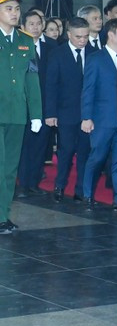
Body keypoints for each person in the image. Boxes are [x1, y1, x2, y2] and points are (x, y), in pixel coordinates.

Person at [0, 0, 43, 234]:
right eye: (8, 8)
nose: (14, 13)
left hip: (17, 114)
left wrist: (36, 113)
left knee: (9, 170)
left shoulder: (26, 41)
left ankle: (3, 215)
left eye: (16, 8)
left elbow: (31, 78)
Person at [45, 17, 97, 202]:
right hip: (65, 112)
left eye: (85, 36)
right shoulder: (58, 54)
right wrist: (50, 113)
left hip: (88, 113)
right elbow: (51, 85)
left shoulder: (93, 52)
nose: (82, 40)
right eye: (78, 37)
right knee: (65, 151)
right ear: (68, 35)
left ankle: (81, 189)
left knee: (85, 152)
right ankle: (59, 186)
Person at [81, 18, 117, 210]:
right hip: (102, 119)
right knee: (97, 157)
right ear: (111, 34)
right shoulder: (96, 58)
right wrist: (86, 117)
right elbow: (88, 90)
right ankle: (86, 193)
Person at [16, 11, 56, 198]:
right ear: (22, 27)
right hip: (22, 105)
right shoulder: (16, 46)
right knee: (24, 146)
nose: (35, 27)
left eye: (38, 23)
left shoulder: (52, 46)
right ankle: (23, 183)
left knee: (40, 146)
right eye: (31, 24)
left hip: (45, 105)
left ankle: (33, 183)